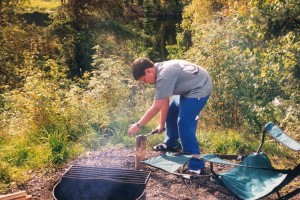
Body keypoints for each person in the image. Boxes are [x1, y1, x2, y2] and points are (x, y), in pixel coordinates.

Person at [127, 58, 212, 174]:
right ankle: (171, 144)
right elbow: (164, 102)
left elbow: (156, 107)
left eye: (144, 80)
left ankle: (197, 166)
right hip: (187, 88)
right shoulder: (158, 71)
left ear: (148, 71)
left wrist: (138, 125)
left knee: (184, 124)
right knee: (171, 113)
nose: (145, 83)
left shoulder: (164, 75)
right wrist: (161, 125)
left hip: (199, 87)